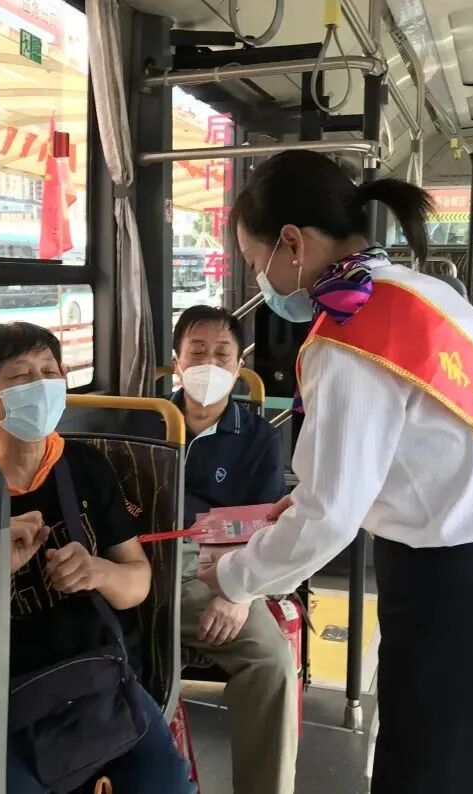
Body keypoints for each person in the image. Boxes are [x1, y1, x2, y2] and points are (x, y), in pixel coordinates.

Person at [198, 151, 473, 794]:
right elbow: (418, 457)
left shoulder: (349, 336)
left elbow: (330, 517)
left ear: (292, 244)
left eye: (255, 261)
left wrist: (237, 579)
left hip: (460, 601)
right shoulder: (423, 296)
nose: (259, 279)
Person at [0, 321, 195, 794]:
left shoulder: (86, 467)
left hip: (99, 673)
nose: (41, 385)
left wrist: (97, 571)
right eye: (20, 376)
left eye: (49, 371)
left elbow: (137, 584)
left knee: (167, 785)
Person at [169, 305, 297, 794]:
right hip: (147, 564)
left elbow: (264, 528)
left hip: (221, 566)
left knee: (271, 662)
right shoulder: (146, 422)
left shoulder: (258, 437)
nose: (209, 364)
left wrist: (239, 593)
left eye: (222, 354)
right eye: (197, 351)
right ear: (177, 362)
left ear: (239, 365)